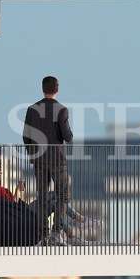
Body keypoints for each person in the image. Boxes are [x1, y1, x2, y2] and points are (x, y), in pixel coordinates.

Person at [23, 79, 92, 245]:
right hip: (57, 160)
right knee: (63, 195)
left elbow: (26, 136)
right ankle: (56, 232)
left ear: (42, 88)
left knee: (42, 197)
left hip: (39, 160)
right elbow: (68, 137)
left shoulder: (32, 110)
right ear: (57, 89)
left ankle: (44, 234)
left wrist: (33, 155)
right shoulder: (61, 110)